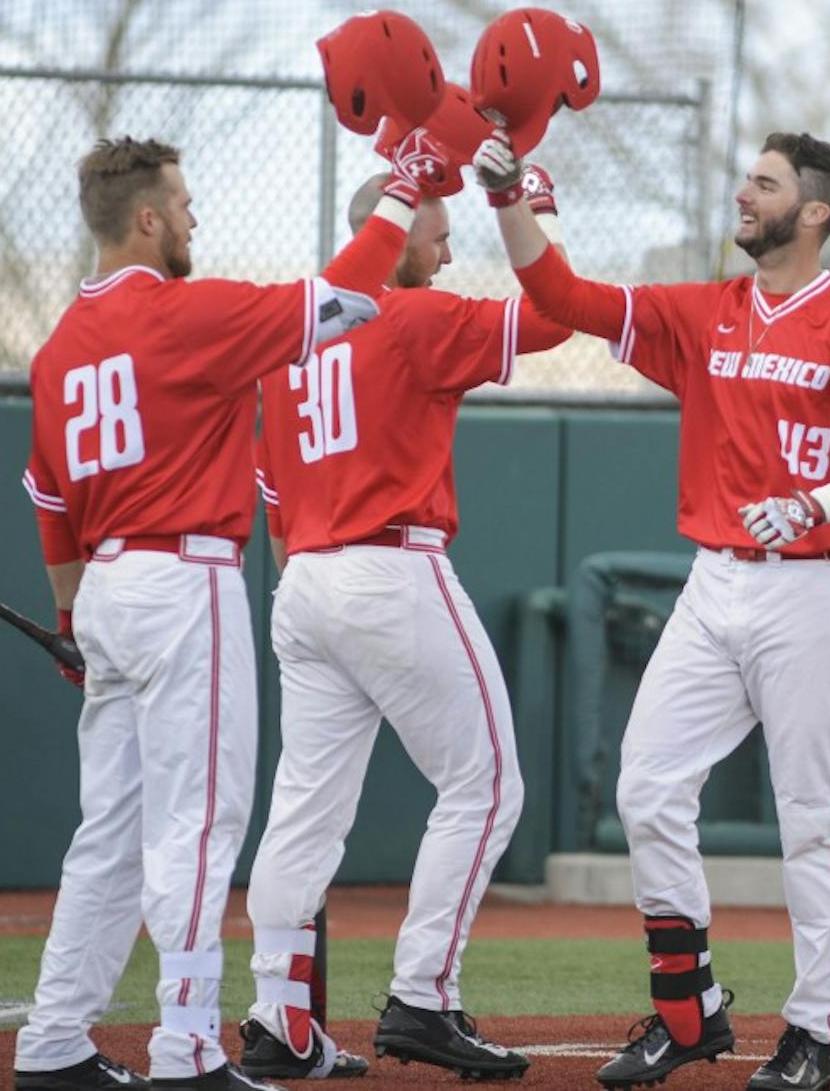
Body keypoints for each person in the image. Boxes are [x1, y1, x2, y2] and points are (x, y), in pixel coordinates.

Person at [476, 128, 830, 1091]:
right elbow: (562, 298)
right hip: (715, 579)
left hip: (819, 585)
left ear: (813, 212)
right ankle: (690, 1011)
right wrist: (510, 199)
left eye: (763, 184)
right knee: (645, 785)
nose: (741, 194)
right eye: (747, 178)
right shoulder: (706, 311)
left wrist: (818, 501)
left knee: (811, 819)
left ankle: (813, 1032)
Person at [15, 131, 443, 1091]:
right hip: (184, 580)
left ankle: (52, 1042)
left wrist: (72, 616)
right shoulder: (186, 314)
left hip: (111, 590)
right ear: (149, 217)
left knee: (110, 834)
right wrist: (404, 187)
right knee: (201, 823)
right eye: (185, 198)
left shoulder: (56, 349)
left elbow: (49, 499)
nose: (197, 214)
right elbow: (347, 291)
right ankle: (189, 1045)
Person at [239, 167, 573, 1082]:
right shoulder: (415, 316)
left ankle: (277, 1017)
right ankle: (424, 996)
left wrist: (312, 579)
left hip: (302, 579)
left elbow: (270, 507)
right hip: (391, 564)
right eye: (438, 232)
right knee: (489, 782)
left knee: (303, 811)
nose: (451, 247)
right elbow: (556, 315)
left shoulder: (288, 344)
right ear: (392, 235)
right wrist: (534, 207)